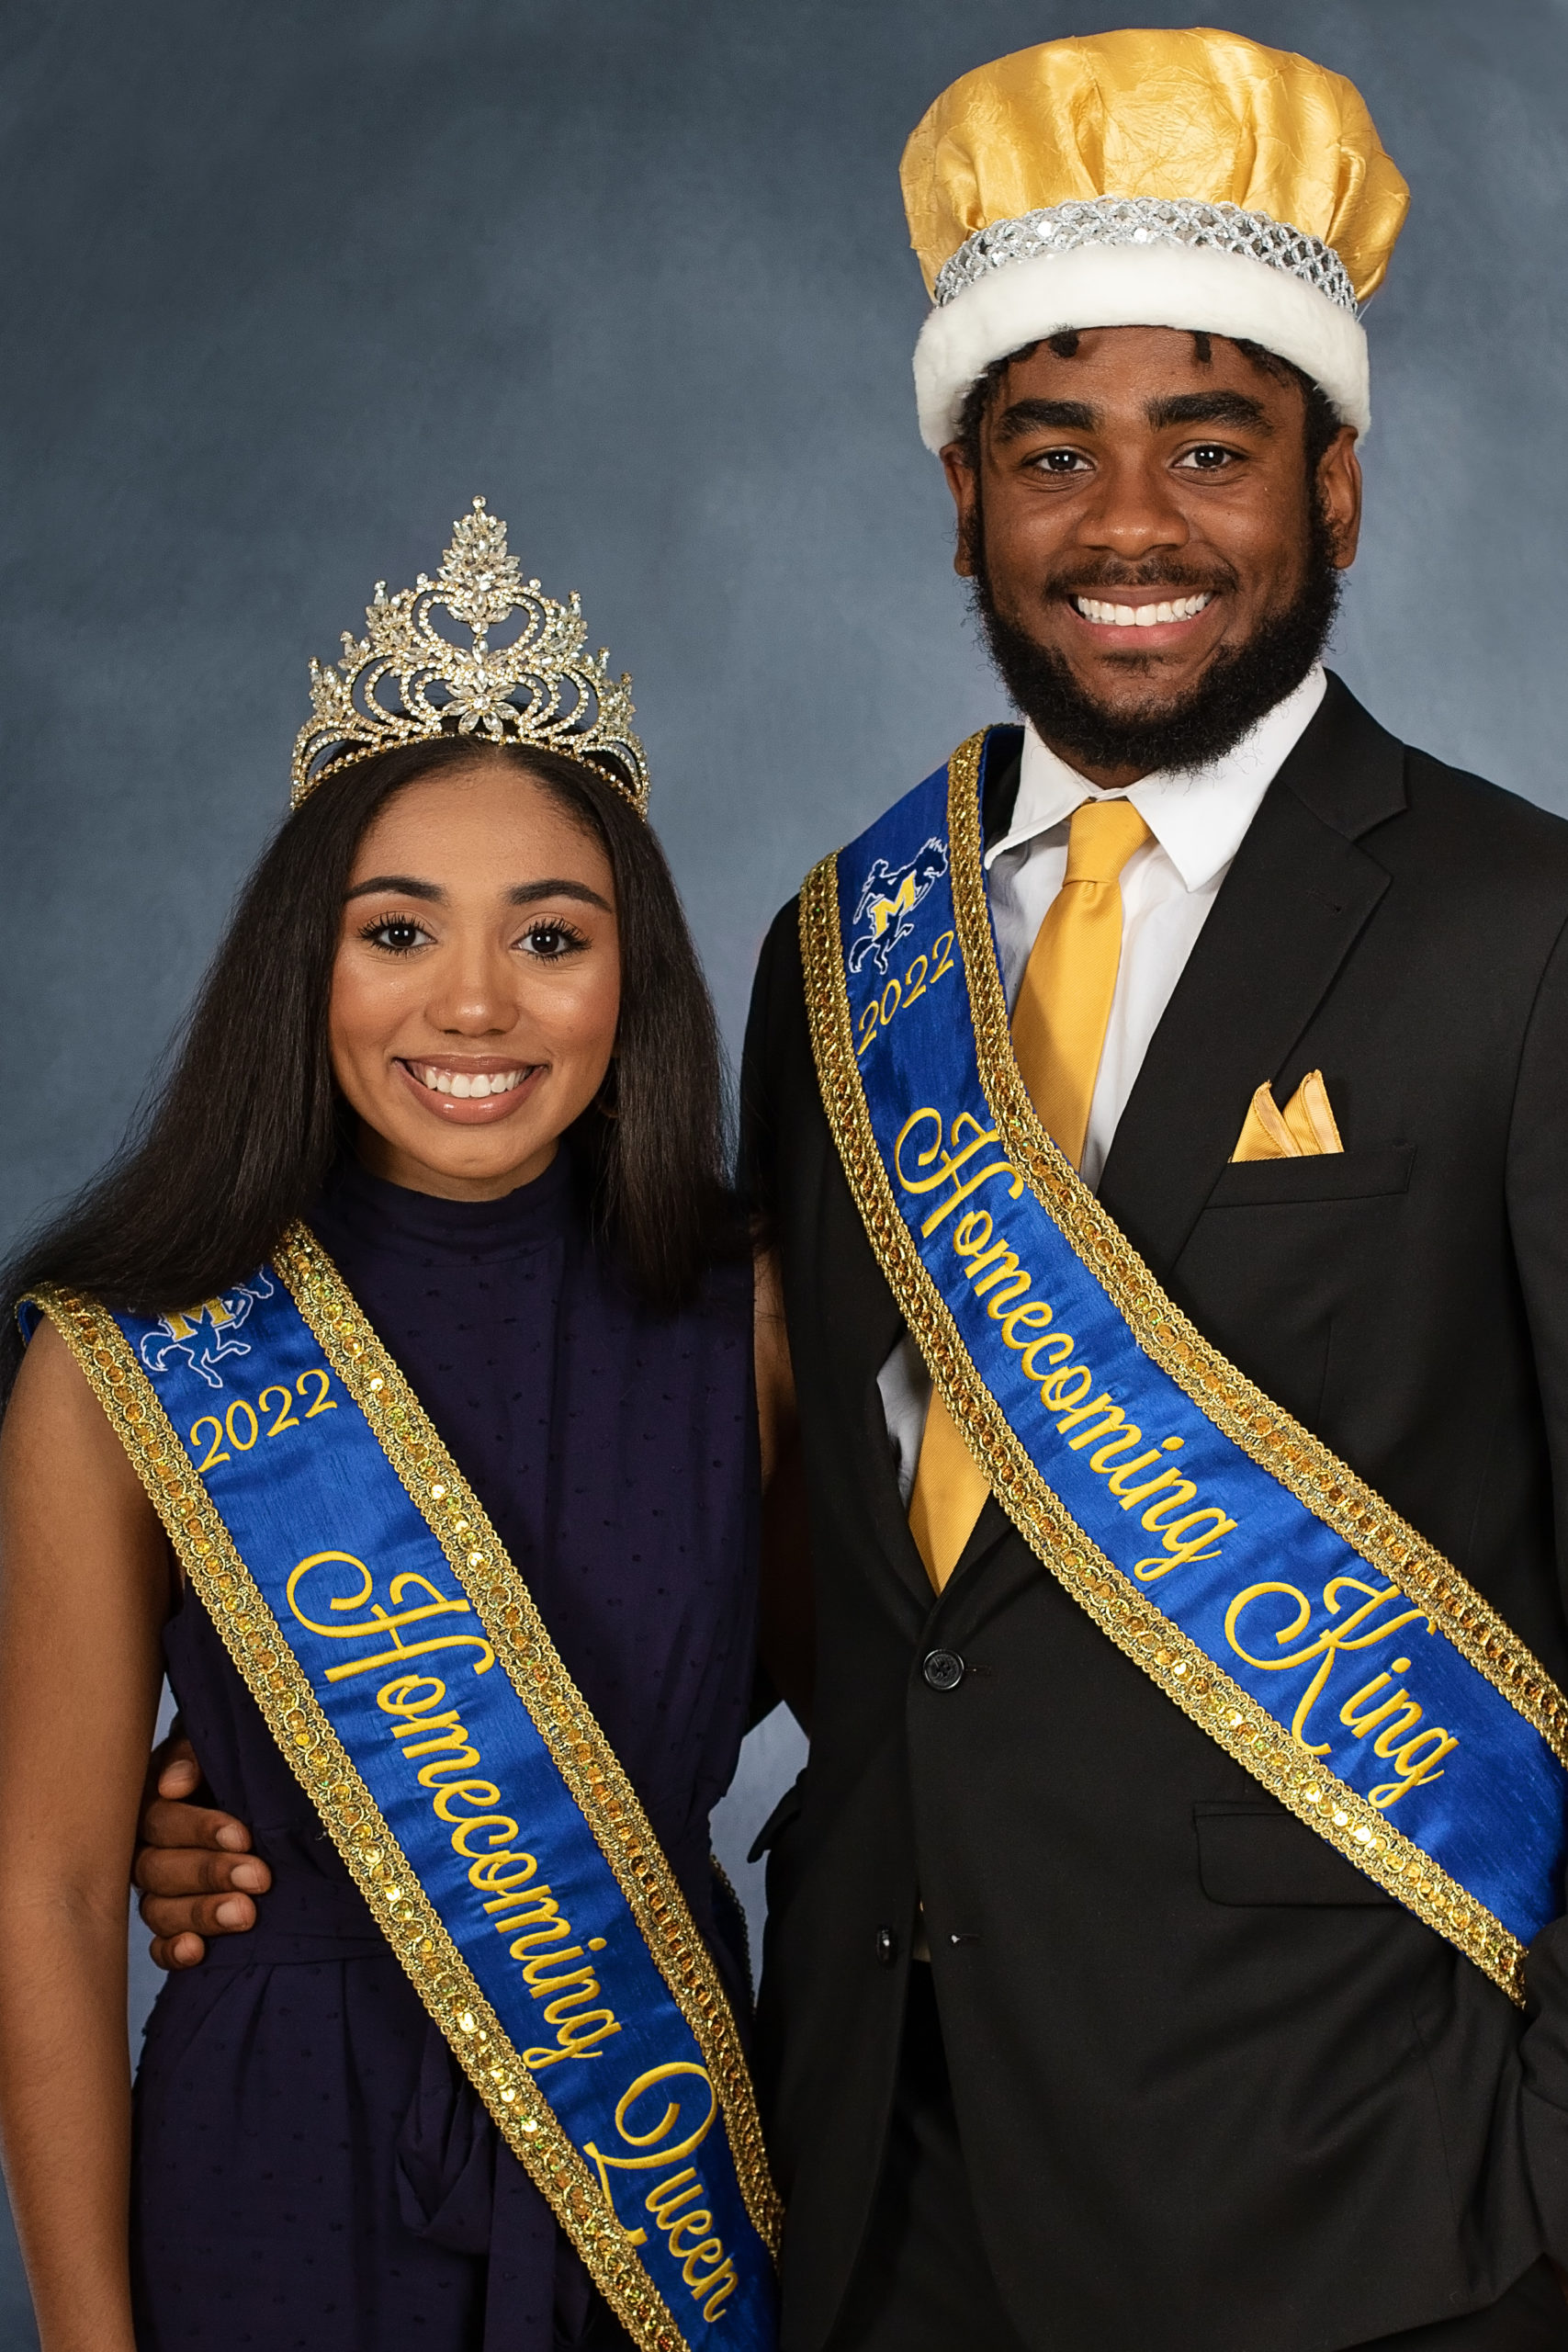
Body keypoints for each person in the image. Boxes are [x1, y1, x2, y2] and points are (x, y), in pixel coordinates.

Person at [125, 26, 1568, 2352]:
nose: (1124, 528)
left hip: (1364, 2201)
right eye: (1046, 452)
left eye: (1208, 447)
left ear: (1337, 495)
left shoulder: (1524, 934)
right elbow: (735, 1507)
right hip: (867, 2167)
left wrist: (1526, 2179)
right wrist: (252, 1780)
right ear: (962, 502)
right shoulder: (837, 952)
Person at [0, 500, 787, 2352]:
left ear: (629, 976)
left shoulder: (749, 1318)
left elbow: (908, 1733)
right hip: (278, 2157)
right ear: (309, 959)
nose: (471, 1001)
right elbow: (39, 1882)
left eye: (550, 934)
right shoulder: (132, 1353)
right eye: (397, 928)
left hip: (651, 2145)